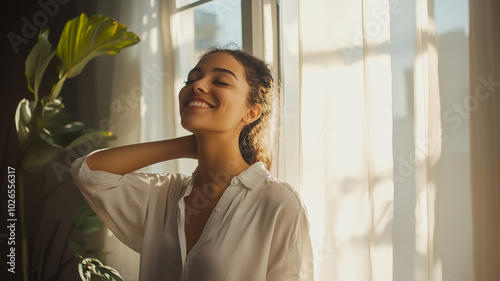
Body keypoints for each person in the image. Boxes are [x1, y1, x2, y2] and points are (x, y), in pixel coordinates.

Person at [71, 48, 314, 281]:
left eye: (220, 81)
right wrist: (187, 146)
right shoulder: (162, 195)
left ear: (251, 113)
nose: (196, 85)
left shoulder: (278, 203)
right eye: (191, 79)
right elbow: (89, 172)